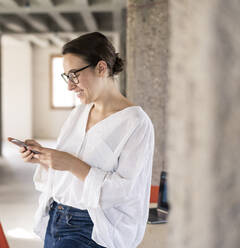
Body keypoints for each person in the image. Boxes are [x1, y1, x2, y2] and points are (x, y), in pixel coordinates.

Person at [19, 32, 155, 248]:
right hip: (55, 216)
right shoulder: (79, 113)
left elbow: (124, 191)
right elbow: (66, 176)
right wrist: (44, 159)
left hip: (90, 228)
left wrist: (71, 164)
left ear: (101, 68)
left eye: (74, 75)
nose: (70, 86)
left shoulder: (136, 123)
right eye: (67, 77)